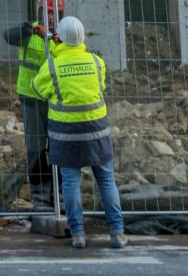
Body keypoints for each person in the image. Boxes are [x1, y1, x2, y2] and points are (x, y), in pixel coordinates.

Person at [31, 15, 127, 250]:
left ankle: (78, 235)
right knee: (106, 180)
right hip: (97, 130)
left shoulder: (52, 65)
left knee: (71, 183)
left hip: (65, 134)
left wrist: (54, 55)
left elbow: (36, 89)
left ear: (59, 38)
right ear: (83, 38)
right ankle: (116, 233)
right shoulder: (96, 61)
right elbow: (100, 87)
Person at [3, 0, 64, 209]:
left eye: (54, 13)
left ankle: (60, 197)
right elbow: (8, 37)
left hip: (56, 102)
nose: (50, 17)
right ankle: (40, 198)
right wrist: (27, 30)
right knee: (35, 148)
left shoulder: (63, 36)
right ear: (39, 11)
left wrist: (54, 37)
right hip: (31, 99)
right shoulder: (28, 31)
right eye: (47, 12)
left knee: (58, 148)